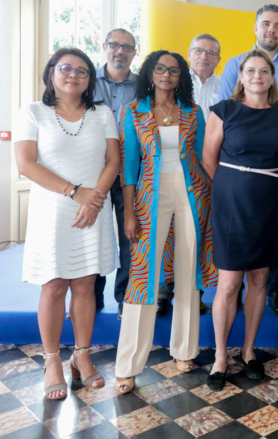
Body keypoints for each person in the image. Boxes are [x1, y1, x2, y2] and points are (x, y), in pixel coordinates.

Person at [15, 48, 120, 399]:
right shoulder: (32, 112)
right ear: (51, 73)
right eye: (65, 68)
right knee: (54, 286)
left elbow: (113, 160)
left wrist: (94, 198)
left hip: (94, 208)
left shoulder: (102, 113)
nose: (73, 75)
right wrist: (76, 192)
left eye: (82, 71)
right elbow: (26, 165)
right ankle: (51, 361)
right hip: (54, 211)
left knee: (86, 286)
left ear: (90, 79)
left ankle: (82, 356)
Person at [115, 50, 217, 394]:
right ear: (149, 73)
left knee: (189, 272)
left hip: (192, 195)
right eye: (160, 68)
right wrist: (129, 212)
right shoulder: (134, 111)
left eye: (173, 70)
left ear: (181, 77)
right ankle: (128, 365)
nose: (166, 75)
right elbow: (129, 166)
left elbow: (203, 157)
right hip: (149, 197)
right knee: (142, 276)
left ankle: (185, 350)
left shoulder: (193, 111)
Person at [203, 50, 278, 390]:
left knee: (259, 279)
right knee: (228, 284)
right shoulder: (224, 111)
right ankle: (219, 356)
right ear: (241, 77)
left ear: (272, 78)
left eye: (264, 71)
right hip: (231, 205)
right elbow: (209, 159)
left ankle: (248, 350)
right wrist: (233, 188)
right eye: (251, 70)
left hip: (270, 204)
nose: (257, 76)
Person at [220, 4, 278, 315]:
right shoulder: (234, 63)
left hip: (275, 168)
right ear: (256, 27)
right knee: (234, 252)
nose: (272, 29)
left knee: (271, 240)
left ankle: (275, 292)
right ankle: (234, 296)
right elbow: (227, 112)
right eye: (267, 23)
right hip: (238, 170)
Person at [157, 33, 221, 316]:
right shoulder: (175, 82)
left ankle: (195, 293)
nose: (204, 57)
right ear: (189, 53)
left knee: (197, 232)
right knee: (166, 232)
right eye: (199, 51)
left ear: (218, 59)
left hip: (209, 169)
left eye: (211, 53)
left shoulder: (227, 86)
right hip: (171, 168)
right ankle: (163, 292)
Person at [93, 29, 137, 320]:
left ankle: (125, 298)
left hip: (128, 174)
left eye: (127, 47)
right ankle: (90, 297)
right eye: (114, 45)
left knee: (129, 237)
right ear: (104, 46)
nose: (120, 51)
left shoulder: (144, 86)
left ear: (134, 52)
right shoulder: (86, 81)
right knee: (92, 235)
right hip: (92, 174)